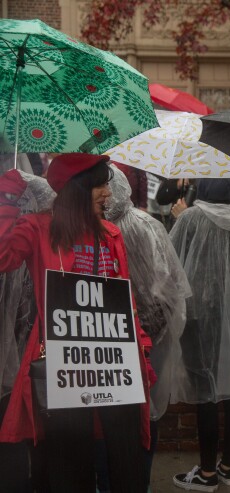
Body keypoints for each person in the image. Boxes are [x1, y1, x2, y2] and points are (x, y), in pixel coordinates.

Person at [0, 154, 153, 492]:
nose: (107, 194)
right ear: (76, 189)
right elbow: (3, 256)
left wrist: (139, 342)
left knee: (126, 457)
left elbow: (123, 298)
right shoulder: (39, 228)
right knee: (71, 460)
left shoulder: (111, 234)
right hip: (63, 367)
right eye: (99, 185)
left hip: (116, 364)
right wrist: (6, 200)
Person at [169, 179, 230, 492]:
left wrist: (177, 218)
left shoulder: (190, 218)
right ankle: (229, 465)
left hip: (198, 316)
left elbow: (170, 263)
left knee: (206, 391)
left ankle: (207, 473)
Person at [104, 166, 192, 489]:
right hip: (151, 339)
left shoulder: (104, 229)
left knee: (120, 417)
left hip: (121, 341)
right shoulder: (149, 224)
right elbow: (174, 290)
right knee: (147, 417)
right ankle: (140, 480)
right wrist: (156, 331)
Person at [0, 170, 55, 493]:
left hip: (28, 338)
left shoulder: (32, 193)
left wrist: (8, 202)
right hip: (27, 336)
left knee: (17, 428)